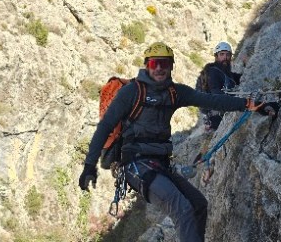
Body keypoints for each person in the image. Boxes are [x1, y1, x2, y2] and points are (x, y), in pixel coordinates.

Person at [79, 41, 267, 242]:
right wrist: (90, 165)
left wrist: (248, 104)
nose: (159, 68)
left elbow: (212, 100)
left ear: (171, 66)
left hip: (160, 164)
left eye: (164, 63)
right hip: (135, 165)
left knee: (198, 205)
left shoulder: (175, 93)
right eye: (154, 63)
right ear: (147, 65)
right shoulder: (132, 91)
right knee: (182, 209)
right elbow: (105, 126)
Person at [202, 41, 242, 132]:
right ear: (216, 56)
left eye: (228, 55)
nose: (225, 57)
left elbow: (240, 78)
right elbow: (215, 91)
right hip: (216, 118)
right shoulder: (212, 72)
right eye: (222, 54)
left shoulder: (226, 73)